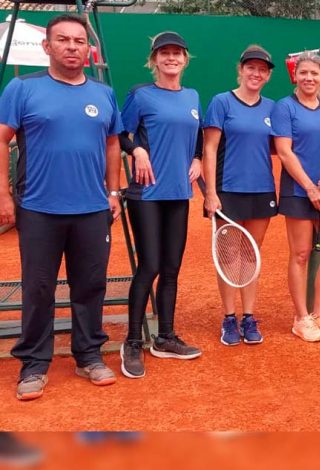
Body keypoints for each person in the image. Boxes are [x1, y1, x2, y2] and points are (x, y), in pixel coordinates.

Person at [0, 14, 122, 400]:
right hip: (39, 209)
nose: (72, 47)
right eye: (63, 40)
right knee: (38, 289)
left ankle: (89, 355)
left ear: (89, 49)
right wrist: (3, 195)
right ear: (47, 46)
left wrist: (114, 192)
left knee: (90, 285)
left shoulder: (103, 93)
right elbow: (1, 139)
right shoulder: (22, 88)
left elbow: (113, 144)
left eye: (79, 41)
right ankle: (34, 364)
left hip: (92, 209)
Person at [118, 31, 203, 379]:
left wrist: (197, 158)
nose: (171, 58)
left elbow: (197, 137)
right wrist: (137, 149)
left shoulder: (193, 96)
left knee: (171, 268)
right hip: (147, 194)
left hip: (178, 193)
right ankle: (132, 342)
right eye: (164, 53)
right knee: (149, 266)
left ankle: (165, 337)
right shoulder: (140, 94)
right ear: (154, 60)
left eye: (177, 53)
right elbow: (119, 133)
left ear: (185, 59)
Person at [203, 45, 277, 346]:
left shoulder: (272, 108)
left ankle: (248, 316)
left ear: (268, 76)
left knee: (251, 255)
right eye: (251, 68)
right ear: (241, 70)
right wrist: (210, 192)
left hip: (262, 190)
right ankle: (229, 318)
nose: (256, 73)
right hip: (227, 191)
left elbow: (281, 148)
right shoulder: (221, 102)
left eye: (262, 70)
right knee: (229, 256)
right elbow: (209, 148)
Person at [272, 51, 320, 342]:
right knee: (301, 254)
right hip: (298, 191)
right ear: (295, 76)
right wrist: (310, 188)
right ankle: (301, 318)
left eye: (314, 73)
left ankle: (319, 313)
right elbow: (284, 152)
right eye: (303, 73)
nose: (309, 78)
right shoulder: (285, 107)